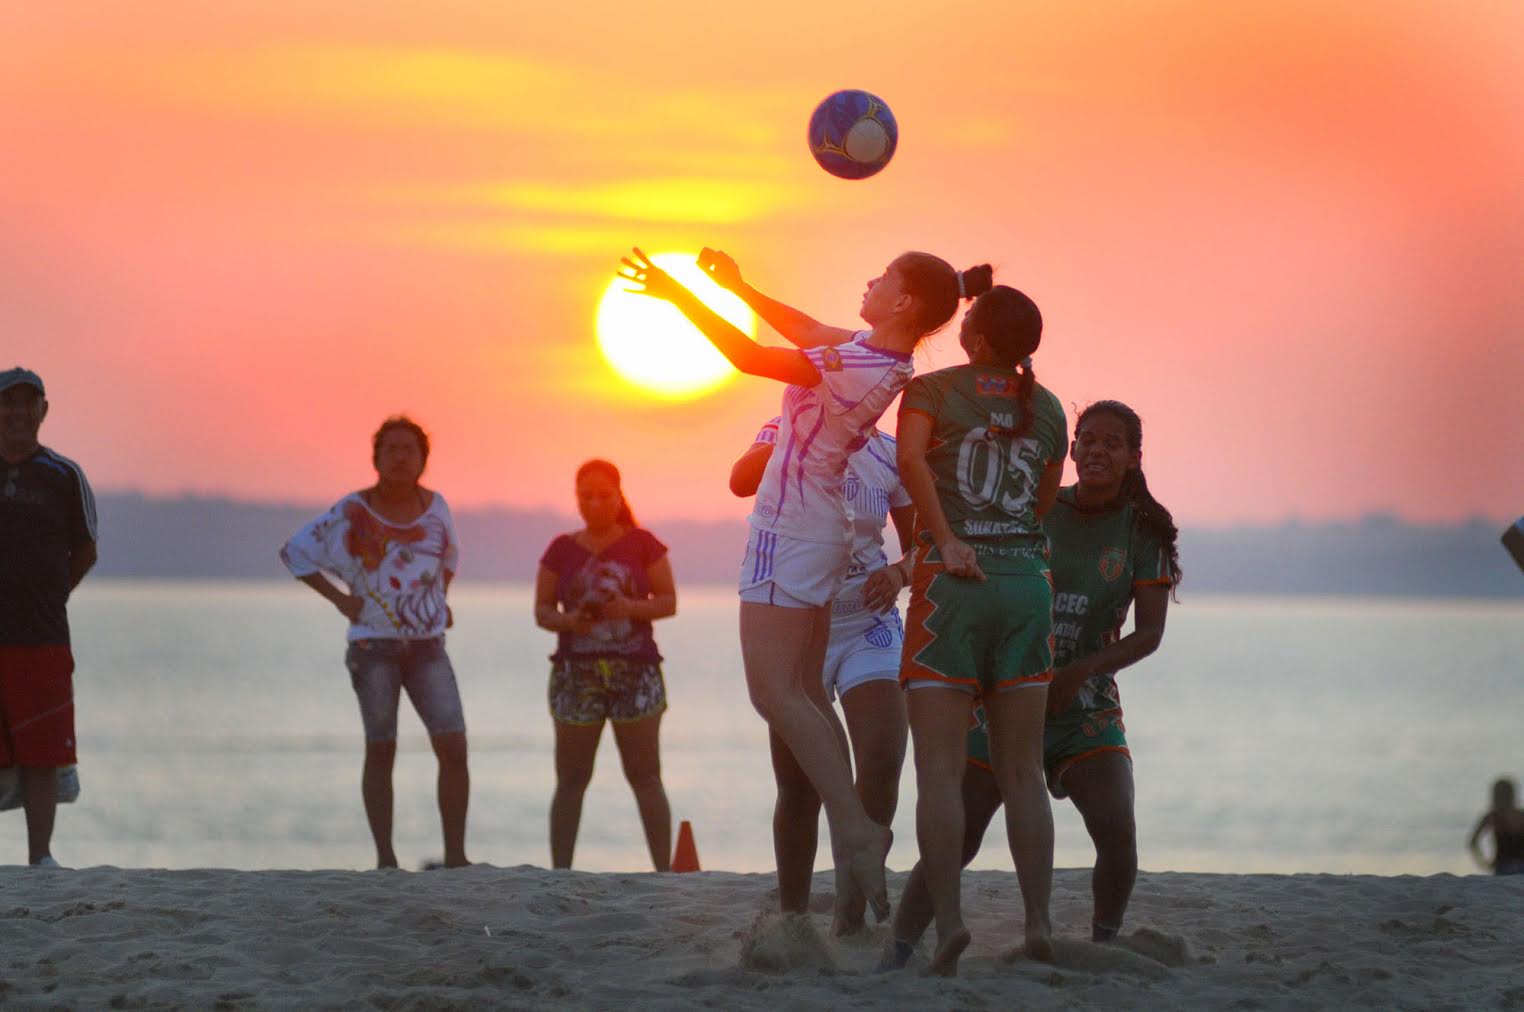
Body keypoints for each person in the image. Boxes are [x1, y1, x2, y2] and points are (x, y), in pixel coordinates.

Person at [618, 245, 988, 923]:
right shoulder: (873, 353)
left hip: (789, 531)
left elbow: (751, 359)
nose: (869, 279)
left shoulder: (862, 365)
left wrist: (681, 297)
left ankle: (852, 827)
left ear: (904, 303)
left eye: (883, 278)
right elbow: (806, 332)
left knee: (773, 691)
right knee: (807, 690)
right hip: (813, 528)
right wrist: (742, 285)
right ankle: (852, 828)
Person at [888, 398, 1182, 968]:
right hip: (1002, 695)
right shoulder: (1040, 509)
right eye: (1087, 440)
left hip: (1082, 706)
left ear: (1133, 458)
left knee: (1117, 828)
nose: (1096, 450)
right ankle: (899, 949)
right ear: (1070, 450)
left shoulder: (1144, 530)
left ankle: (1103, 941)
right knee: (963, 834)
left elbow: (1149, 635)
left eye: (1111, 444)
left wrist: (1078, 673)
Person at [894, 285, 1067, 975]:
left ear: (981, 341)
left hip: (951, 589)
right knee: (1022, 771)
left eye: (968, 319)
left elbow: (911, 463)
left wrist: (947, 538)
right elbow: (1044, 505)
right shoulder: (1049, 407)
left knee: (939, 772)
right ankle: (1039, 923)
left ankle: (949, 928)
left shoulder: (932, 390)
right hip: (1026, 590)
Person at [731, 417, 912, 932]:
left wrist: (900, 573)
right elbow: (740, 481)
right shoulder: (781, 428)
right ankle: (793, 916)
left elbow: (927, 543)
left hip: (867, 624)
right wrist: (794, 438)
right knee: (798, 784)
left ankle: (849, 917)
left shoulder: (890, 453)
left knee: (880, 759)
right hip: (797, 621)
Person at [280, 416, 469, 870]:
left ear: (424, 458)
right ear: (376, 459)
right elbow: (295, 552)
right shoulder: (352, 510)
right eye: (392, 449)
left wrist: (439, 601)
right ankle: (386, 859)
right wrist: (341, 600)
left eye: (410, 449)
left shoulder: (437, 506)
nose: (401, 457)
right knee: (382, 747)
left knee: (453, 745)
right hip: (374, 648)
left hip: (428, 647)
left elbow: (449, 559)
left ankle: (456, 857)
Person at [534, 459, 676, 871]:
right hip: (576, 674)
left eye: (603, 495)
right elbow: (542, 610)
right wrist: (572, 620)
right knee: (571, 778)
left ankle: (663, 871)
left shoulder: (644, 544)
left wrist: (627, 607)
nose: (594, 503)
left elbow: (668, 601)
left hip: (636, 671)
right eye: (586, 496)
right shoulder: (561, 549)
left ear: (619, 496)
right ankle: (560, 872)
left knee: (645, 774)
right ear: (577, 499)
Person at [0, 367, 98, 868]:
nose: (16, 412)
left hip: (42, 637)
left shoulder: (64, 476)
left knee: (42, 752)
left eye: (27, 403)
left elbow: (86, 549)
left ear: (43, 411)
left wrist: (54, 594)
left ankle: (40, 857)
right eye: (7, 403)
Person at [1469, 777, 1524, 875]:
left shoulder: (1493, 816)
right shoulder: (1520, 815)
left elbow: (1473, 842)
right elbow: (1473, 842)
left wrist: (1483, 863)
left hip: (1502, 867)